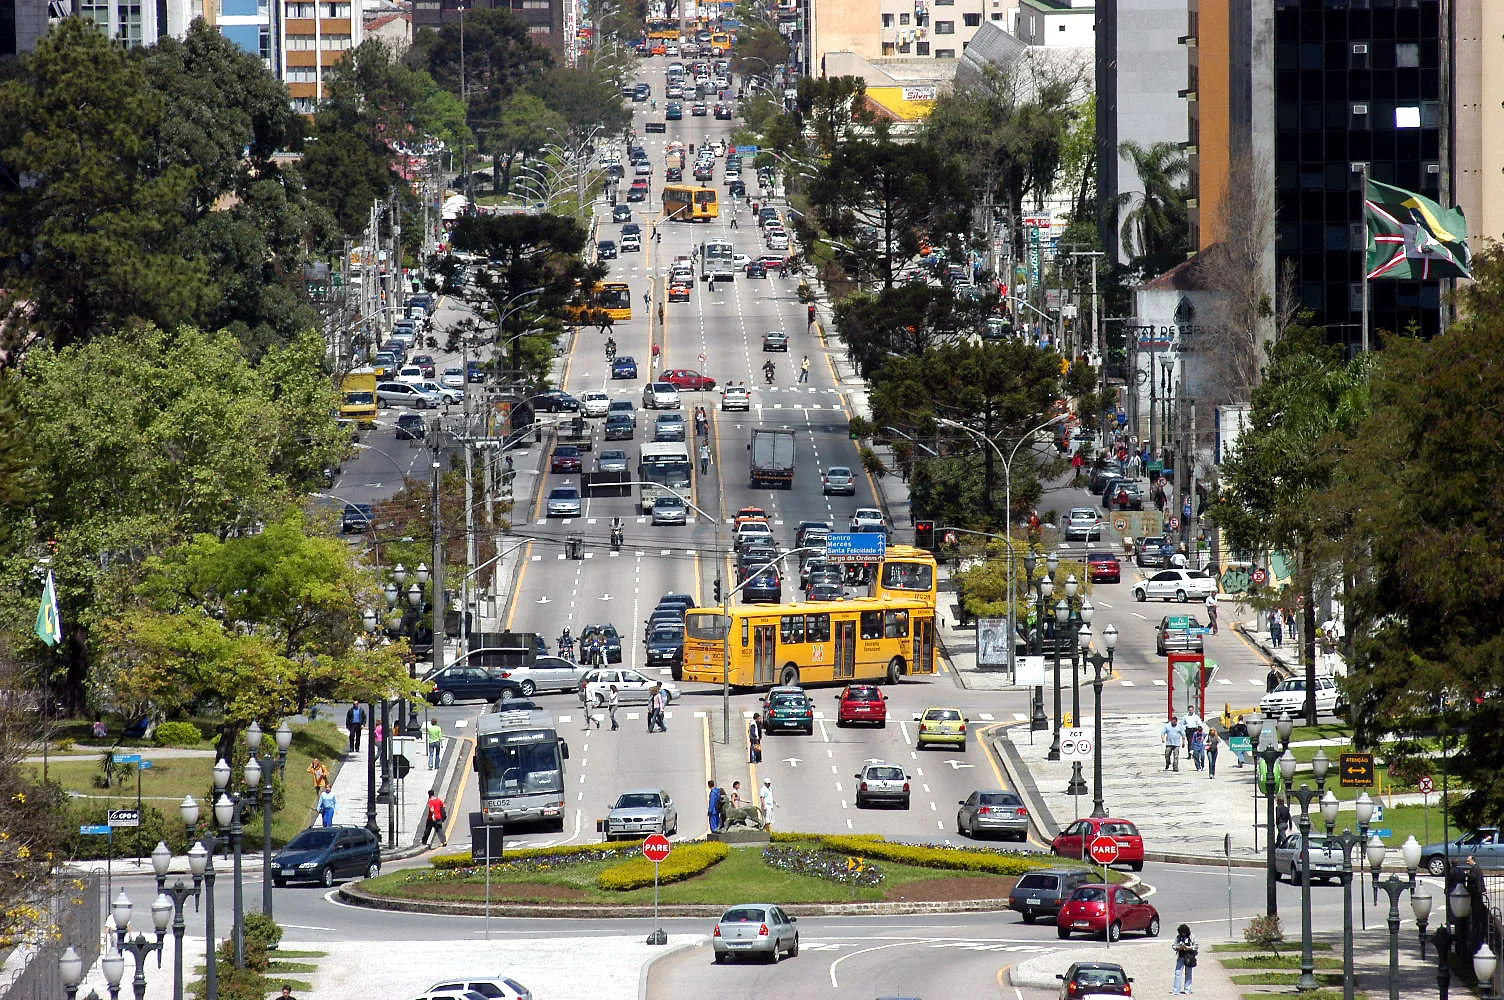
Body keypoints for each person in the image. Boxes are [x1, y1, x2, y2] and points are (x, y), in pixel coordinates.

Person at [1171, 923, 1198, 994]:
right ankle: (1176, 990)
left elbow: (1196, 946)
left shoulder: (1192, 936)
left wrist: (1188, 948)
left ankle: (1187, 989)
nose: (1183, 934)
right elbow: (1174, 945)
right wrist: (1178, 947)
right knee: (1177, 973)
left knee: (1188, 974)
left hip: (1189, 957)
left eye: (1184, 932)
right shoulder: (1178, 937)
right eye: (1182, 933)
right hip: (1181, 956)